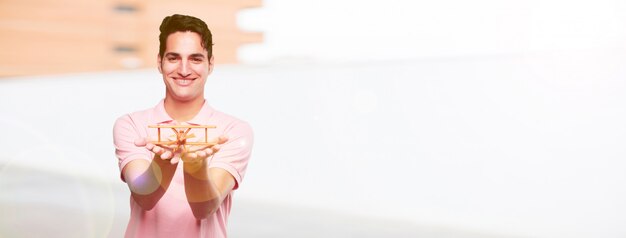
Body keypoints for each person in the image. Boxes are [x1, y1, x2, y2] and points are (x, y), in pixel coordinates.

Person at [113, 14, 253, 238]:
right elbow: (144, 198)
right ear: (159, 62)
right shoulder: (131, 125)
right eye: (174, 58)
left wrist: (194, 165)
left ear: (211, 64)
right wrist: (164, 159)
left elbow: (205, 208)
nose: (184, 69)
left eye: (196, 59)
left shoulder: (232, 131)